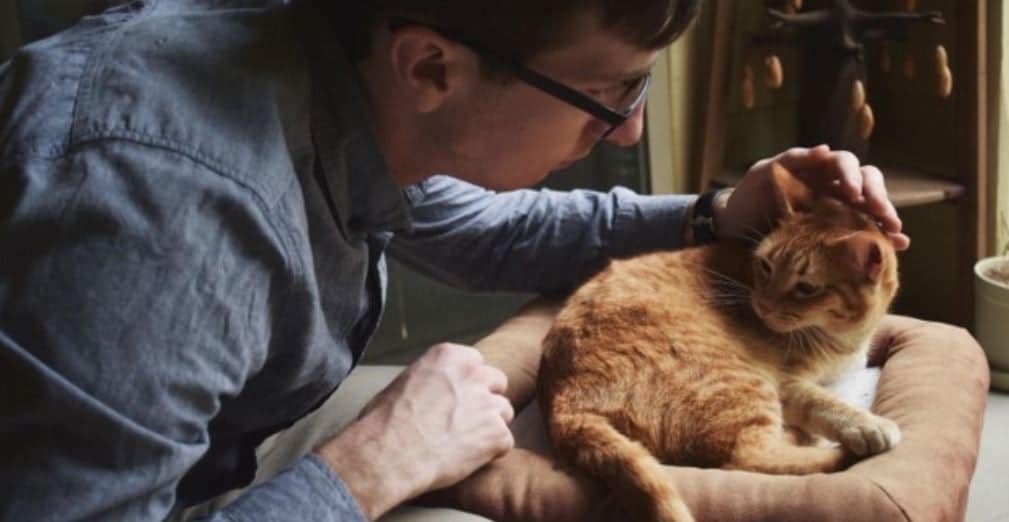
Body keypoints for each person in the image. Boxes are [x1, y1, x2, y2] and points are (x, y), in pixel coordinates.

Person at [0, 0, 910, 520]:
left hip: (227, 442)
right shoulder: (153, 220)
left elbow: (487, 230)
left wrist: (719, 212)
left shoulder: (335, 71)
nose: (628, 128)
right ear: (431, 68)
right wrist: (368, 467)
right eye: (609, 93)